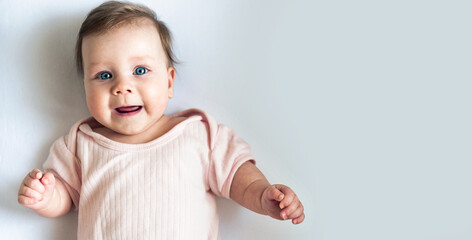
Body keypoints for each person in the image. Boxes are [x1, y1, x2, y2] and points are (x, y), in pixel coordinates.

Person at [17, 1, 304, 239]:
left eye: (140, 70)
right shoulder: (81, 143)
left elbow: (237, 176)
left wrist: (262, 193)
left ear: (169, 82)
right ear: (85, 87)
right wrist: (45, 197)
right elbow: (64, 198)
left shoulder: (198, 133)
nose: (122, 87)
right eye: (104, 75)